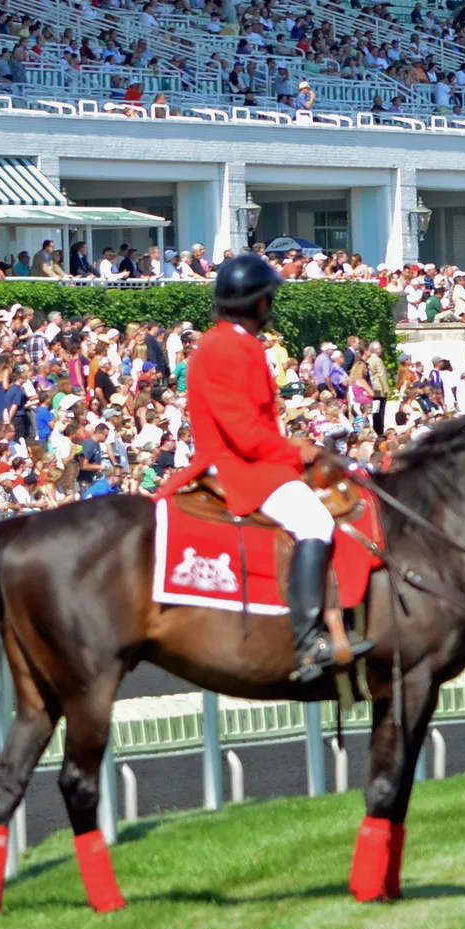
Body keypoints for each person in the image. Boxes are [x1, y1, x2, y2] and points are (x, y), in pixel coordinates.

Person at [160, 252, 370, 681]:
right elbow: (246, 436)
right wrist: (297, 451)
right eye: (268, 299)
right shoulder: (227, 348)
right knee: (314, 522)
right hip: (237, 465)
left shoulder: (232, 342)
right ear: (259, 304)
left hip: (249, 457)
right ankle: (308, 640)